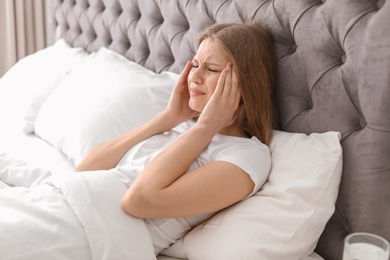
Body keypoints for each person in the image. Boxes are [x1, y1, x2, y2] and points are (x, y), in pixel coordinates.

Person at [0, 22, 276, 256]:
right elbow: (85, 169)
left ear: (245, 83)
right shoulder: (182, 130)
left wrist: (204, 128)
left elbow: (138, 201)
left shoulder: (247, 157)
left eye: (211, 69)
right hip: (64, 202)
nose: (195, 77)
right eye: (194, 65)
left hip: (87, 232)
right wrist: (167, 119)